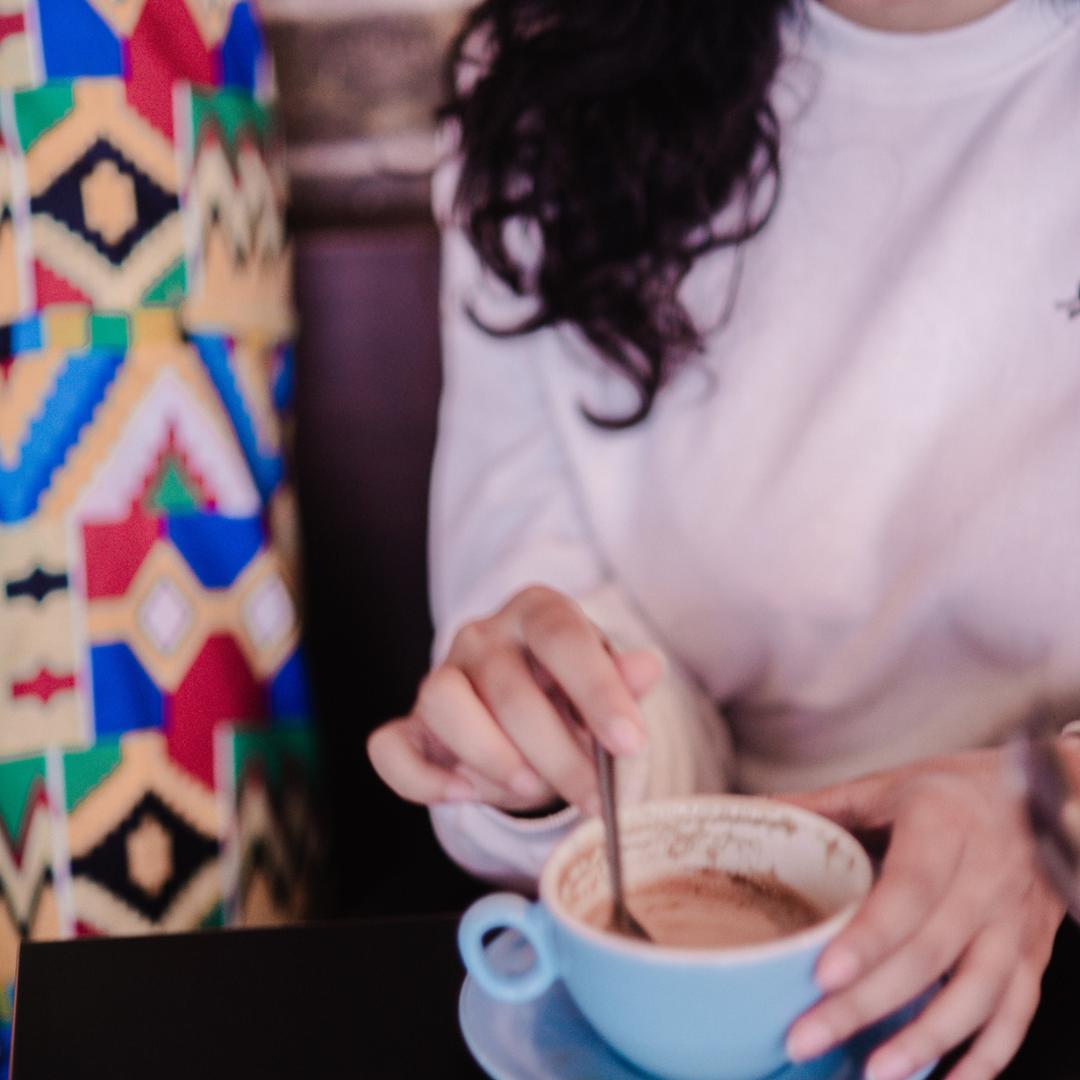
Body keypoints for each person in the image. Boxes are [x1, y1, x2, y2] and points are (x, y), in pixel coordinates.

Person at [367, 1, 1080, 1077]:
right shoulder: (555, 87)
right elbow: (594, 661)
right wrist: (552, 741)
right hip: (732, 997)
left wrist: (1055, 815)